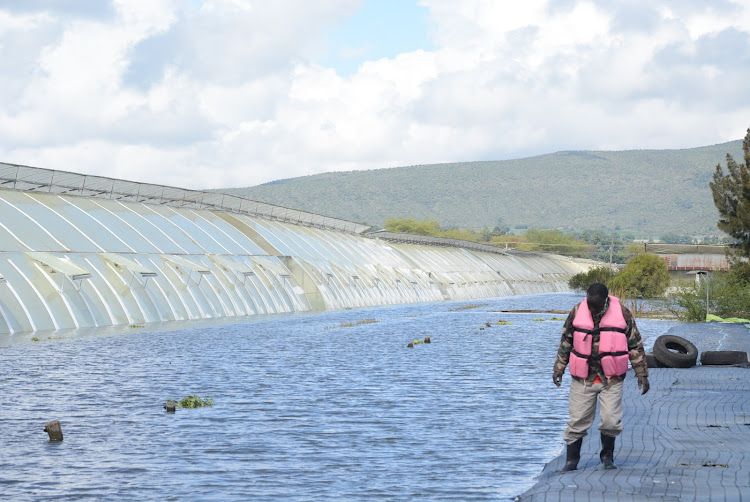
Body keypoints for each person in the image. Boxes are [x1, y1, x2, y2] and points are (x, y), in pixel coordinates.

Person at [552, 283, 650, 471]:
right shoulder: (577, 311)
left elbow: (635, 345)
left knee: (610, 420)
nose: (592, 309)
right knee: (577, 421)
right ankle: (571, 462)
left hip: (611, 378)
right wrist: (559, 369)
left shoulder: (622, 313)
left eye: (596, 306)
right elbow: (566, 341)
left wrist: (642, 374)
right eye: (590, 304)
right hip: (583, 377)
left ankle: (607, 457)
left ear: (606, 300)